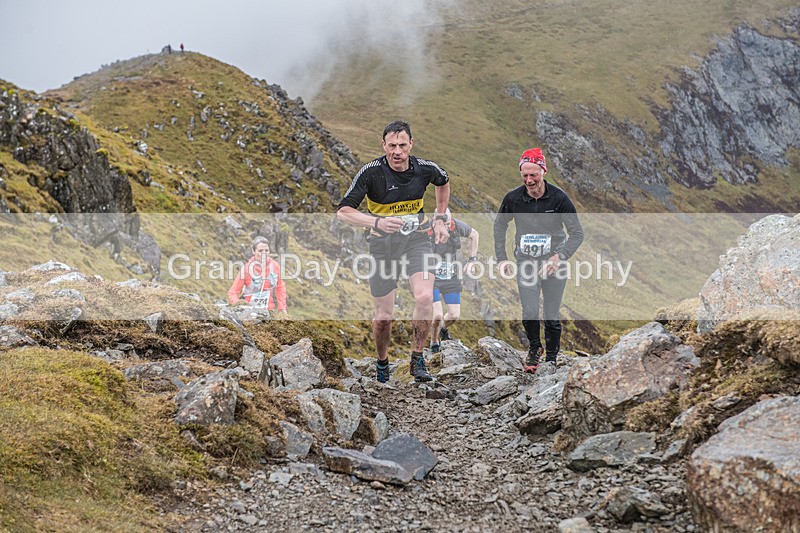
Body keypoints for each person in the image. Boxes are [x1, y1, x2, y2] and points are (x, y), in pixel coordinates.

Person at [337, 120, 451, 383]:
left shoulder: (424, 169)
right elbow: (343, 212)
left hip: (417, 240)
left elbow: (443, 181)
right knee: (384, 317)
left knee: (424, 297)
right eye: (392, 146)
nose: (397, 152)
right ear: (383, 145)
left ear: (411, 144)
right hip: (382, 245)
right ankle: (382, 362)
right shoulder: (371, 173)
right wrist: (377, 222)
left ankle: (417, 359)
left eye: (402, 145)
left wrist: (441, 217)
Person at [494, 148, 583, 373]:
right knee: (530, 311)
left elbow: (577, 233)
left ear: (543, 171)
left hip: (554, 262)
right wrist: (502, 259)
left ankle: (552, 358)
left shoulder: (559, 198)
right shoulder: (513, 198)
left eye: (534, 175)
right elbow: (500, 225)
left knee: (551, 314)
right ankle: (535, 348)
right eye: (525, 175)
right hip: (526, 262)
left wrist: (559, 256)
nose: (529, 180)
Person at [429, 215, 480, 353]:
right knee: (437, 315)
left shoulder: (456, 226)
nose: (445, 227)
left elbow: (475, 234)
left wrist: (472, 259)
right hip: (431, 278)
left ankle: (443, 330)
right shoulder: (426, 228)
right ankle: (434, 342)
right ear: (434, 222)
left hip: (450, 276)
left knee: (454, 315)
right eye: (441, 223)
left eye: (447, 223)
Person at [227, 236, 287, 314]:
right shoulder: (246, 269)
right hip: (248, 312)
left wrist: (282, 308)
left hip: (268, 312)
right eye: (260, 251)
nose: (264, 254)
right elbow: (232, 292)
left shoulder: (275, 266)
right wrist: (239, 306)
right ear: (253, 251)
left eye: (266, 250)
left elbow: (280, 288)